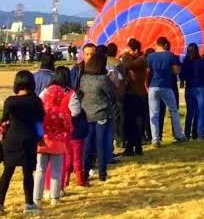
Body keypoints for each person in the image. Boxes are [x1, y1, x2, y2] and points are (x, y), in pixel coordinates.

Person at [0, 71, 45, 215]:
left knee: (7, 172)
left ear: (16, 83)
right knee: (27, 173)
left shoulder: (10, 101)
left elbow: (3, 120)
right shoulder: (35, 101)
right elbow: (38, 122)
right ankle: (29, 204)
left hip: (11, 140)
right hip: (29, 140)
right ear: (32, 84)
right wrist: (41, 138)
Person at [34, 67, 79, 206]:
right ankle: (55, 196)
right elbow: (69, 124)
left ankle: (37, 197)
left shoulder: (41, 110)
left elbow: (36, 124)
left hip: (42, 142)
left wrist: (39, 136)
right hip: (58, 144)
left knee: (40, 169)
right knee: (56, 170)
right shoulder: (61, 111)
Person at [79, 54, 115, 183]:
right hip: (102, 114)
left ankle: (84, 172)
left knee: (88, 145)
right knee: (100, 144)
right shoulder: (103, 79)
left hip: (87, 114)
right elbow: (111, 93)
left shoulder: (84, 78)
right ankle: (102, 172)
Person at [146, 37, 185, 146]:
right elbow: (176, 71)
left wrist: (147, 86)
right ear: (166, 45)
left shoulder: (150, 56)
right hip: (166, 87)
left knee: (153, 113)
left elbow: (147, 73)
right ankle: (178, 135)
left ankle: (155, 138)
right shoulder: (170, 55)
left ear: (157, 44)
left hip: (153, 87)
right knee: (173, 111)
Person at [120, 39, 147, 156]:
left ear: (135, 50)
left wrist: (125, 54)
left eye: (130, 50)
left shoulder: (141, 60)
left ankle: (136, 146)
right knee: (130, 122)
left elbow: (128, 65)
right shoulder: (137, 59)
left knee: (134, 122)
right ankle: (132, 146)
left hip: (136, 95)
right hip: (131, 93)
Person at [181, 43, 204, 140]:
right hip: (202, 87)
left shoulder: (185, 63)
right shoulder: (202, 61)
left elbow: (182, 76)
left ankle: (187, 134)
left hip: (190, 87)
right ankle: (200, 135)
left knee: (190, 112)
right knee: (201, 112)